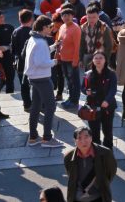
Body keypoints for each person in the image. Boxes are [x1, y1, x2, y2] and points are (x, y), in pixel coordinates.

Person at [26, 15, 63, 148]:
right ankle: (47, 138)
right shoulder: (40, 42)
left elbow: (39, 54)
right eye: (50, 26)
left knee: (35, 107)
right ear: (43, 28)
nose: (51, 28)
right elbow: (41, 62)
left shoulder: (34, 38)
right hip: (42, 78)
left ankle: (33, 137)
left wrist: (53, 46)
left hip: (34, 77)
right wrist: (54, 62)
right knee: (50, 107)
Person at [64, 126, 118, 202]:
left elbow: (110, 173)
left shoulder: (105, 153)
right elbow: (71, 177)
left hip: (98, 198)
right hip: (77, 199)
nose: (83, 141)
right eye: (79, 138)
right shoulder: (68, 157)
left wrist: (100, 184)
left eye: (86, 137)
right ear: (75, 141)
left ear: (91, 138)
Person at [83, 50, 118, 149]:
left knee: (107, 130)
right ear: (93, 60)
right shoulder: (88, 74)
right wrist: (86, 91)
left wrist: (107, 100)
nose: (98, 60)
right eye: (96, 58)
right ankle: (96, 151)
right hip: (92, 106)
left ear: (105, 60)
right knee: (94, 131)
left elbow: (113, 89)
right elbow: (83, 88)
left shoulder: (111, 73)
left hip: (107, 106)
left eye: (101, 58)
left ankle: (108, 151)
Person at [56, 8, 83, 109]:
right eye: (64, 15)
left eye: (68, 15)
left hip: (72, 60)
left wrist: (75, 61)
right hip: (63, 59)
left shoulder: (76, 28)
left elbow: (78, 47)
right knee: (68, 80)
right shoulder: (62, 26)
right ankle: (71, 98)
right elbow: (59, 40)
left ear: (72, 16)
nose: (66, 17)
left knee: (74, 81)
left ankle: (75, 100)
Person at [12, 9, 35, 112]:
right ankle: (38, 103)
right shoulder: (33, 32)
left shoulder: (15, 31)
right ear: (31, 19)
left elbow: (13, 49)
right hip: (32, 63)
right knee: (36, 84)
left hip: (20, 63)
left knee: (23, 84)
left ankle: (27, 104)